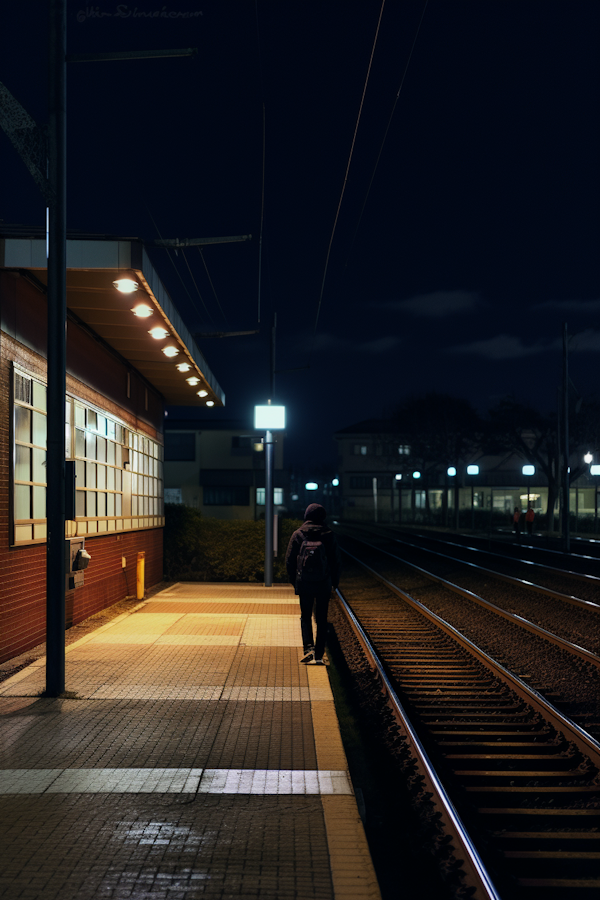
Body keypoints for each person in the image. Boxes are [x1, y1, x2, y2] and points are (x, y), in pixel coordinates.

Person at [285, 503, 341, 665]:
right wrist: (334, 583)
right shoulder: (329, 534)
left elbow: (289, 561)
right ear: (323, 517)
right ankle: (319, 653)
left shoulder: (298, 534)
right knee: (322, 618)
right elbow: (336, 561)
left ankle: (308, 648)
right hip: (324, 583)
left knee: (305, 616)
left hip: (304, 582)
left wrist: (295, 581)